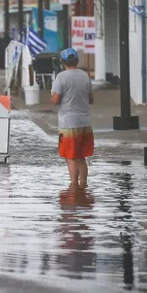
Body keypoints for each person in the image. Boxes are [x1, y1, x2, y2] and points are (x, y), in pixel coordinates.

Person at [51, 48, 94, 189]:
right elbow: (91, 99)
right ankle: (84, 185)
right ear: (77, 60)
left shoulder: (61, 77)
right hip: (85, 123)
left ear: (63, 62)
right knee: (82, 157)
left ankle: (73, 187)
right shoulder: (85, 76)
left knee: (71, 157)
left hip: (68, 123)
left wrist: (53, 95)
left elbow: (55, 100)